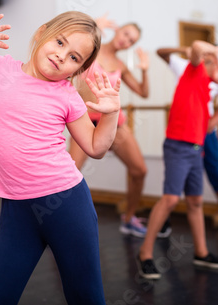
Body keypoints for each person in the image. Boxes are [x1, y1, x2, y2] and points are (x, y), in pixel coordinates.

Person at [0, 12, 120, 304]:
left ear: (78, 68)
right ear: (41, 33)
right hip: (16, 210)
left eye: (74, 57)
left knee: (86, 297)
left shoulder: (67, 95)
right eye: (59, 42)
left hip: (67, 205)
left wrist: (110, 115)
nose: (61, 56)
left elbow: (95, 148)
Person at [136, 41, 218, 279]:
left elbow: (208, 127)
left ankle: (201, 253)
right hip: (177, 146)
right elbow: (195, 47)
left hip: (196, 150)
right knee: (171, 199)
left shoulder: (206, 92)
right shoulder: (195, 72)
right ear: (212, 61)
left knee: (195, 202)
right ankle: (145, 253)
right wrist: (215, 52)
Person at [69, 15, 149, 237]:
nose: (127, 41)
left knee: (139, 170)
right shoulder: (91, 49)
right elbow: (69, 47)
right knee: (69, 174)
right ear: (118, 30)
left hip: (113, 122)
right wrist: (92, 27)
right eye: (126, 34)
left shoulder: (121, 65)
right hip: (85, 119)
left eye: (132, 41)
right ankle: (61, 222)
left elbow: (143, 93)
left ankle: (129, 218)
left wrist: (144, 69)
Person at [157, 46, 218, 236]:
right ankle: (163, 219)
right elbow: (166, 52)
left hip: (204, 130)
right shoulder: (191, 68)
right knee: (174, 186)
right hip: (184, 133)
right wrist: (187, 49)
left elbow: (210, 125)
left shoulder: (217, 84)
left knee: (214, 170)